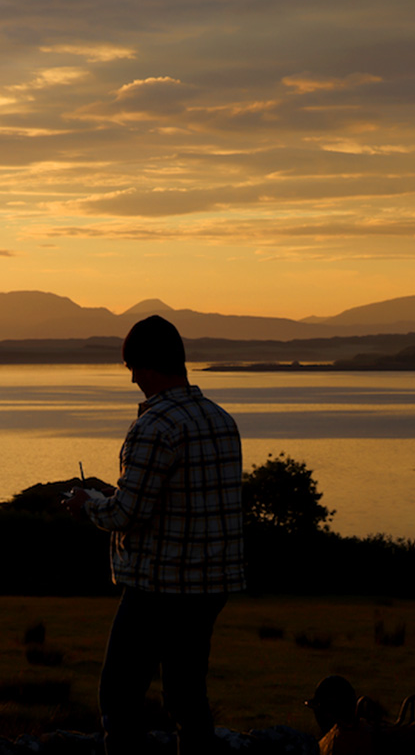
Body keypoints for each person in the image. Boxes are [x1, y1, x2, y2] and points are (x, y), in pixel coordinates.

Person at [64, 314, 245, 755]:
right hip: (211, 584)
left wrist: (89, 504)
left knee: (119, 698)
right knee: (186, 696)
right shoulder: (221, 420)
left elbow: (128, 513)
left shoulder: (153, 426)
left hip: (158, 587)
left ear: (147, 367)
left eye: (132, 370)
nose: (132, 381)